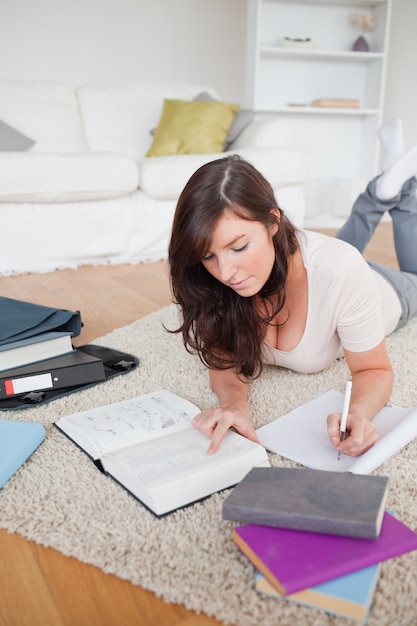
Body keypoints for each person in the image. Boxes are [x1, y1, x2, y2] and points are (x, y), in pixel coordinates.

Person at [168, 119, 417, 457]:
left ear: (273, 222)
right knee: (336, 255)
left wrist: (357, 412)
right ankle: (382, 190)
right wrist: (234, 404)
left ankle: (396, 193)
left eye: (239, 247)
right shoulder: (215, 279)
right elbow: (223, 358)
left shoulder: (339, 269)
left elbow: (373, 368)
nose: (225, 272)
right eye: (208, 255)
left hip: (384, 289)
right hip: (312, 265)